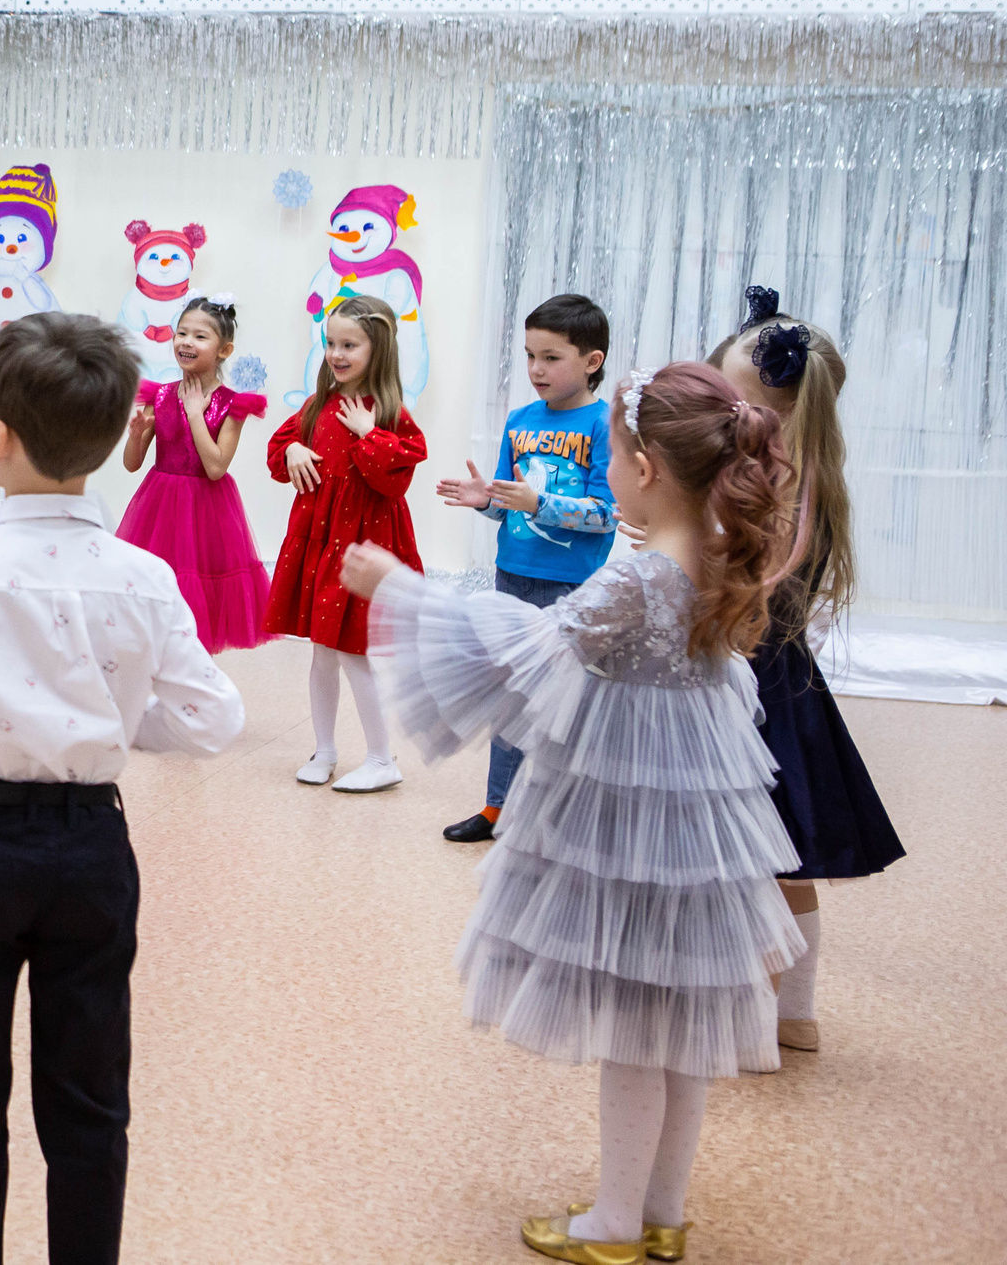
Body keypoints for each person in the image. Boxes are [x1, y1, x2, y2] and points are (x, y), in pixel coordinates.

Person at [343, 361, 805, 1265]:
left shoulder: (638, 579)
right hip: (694, 820)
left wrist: (402, 590)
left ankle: (614, 1223)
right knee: (679, 1022)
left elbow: (529, 646)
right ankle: (662, 1210)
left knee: (634, 1025)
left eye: (617, 454)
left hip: (629, 818)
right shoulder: (710, 552)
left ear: (646, 471)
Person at [0, 312, 244, 1265]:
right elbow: (213, 718)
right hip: (90, 849)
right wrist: (109, 721)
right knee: (88, 1102)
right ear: (116, 439)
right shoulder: (144, 577)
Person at [710, 288, 901, 1056]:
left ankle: (759, 1024)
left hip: (749, 691)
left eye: (732, 397)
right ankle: (797, 1014)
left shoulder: (777, 483)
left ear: (772, 409)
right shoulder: (808, 474)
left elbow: (748, 589)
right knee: (788, 866)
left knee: (751, 866)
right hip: (789, 688)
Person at [431, 294, 615, 843]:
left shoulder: (606, 425)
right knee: (510, 699)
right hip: (511, 578)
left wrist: (541, 505)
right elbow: (510, 503)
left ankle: (565, 813)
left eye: (552, 357)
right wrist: (484, 500)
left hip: (570, 588)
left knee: (565, 704)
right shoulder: (519, 421)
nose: (536, 369)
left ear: (591, 361)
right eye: (530, 355)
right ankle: (497, 808)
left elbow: (608, 514)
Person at [263, 294, 425, 792]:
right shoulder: (317, 406)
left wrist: (368, 434)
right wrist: (290, 448)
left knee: (353, 653)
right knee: (322, 652)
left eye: (349, 344)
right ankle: (325, 750)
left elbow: (394, 480)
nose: (337, 353)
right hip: (319, 546)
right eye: (331, 343)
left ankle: (381, 758)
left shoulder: (391, 413)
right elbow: (277, 454)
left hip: (359, 551)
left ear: (378, 349)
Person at [115, 293, 271, 652]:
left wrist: (195, 412)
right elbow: (132, 463)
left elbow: (216, 467)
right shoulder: (159, 395)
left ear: (224, 350)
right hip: (159, 507)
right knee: (155, 601)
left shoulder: (234, 405)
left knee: (198, 608)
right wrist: (137, 435)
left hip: (207, 513)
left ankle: (192, 683)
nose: (186, 342)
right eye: (181, 333)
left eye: (200, 336)